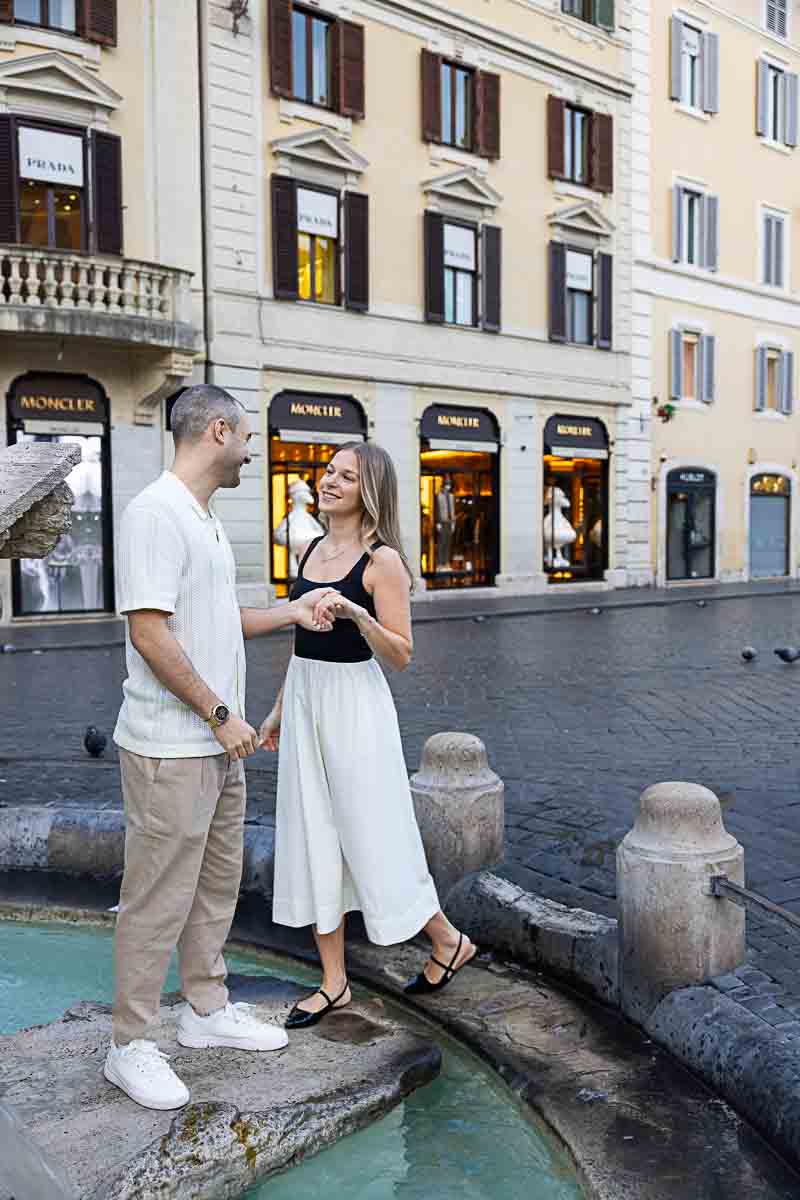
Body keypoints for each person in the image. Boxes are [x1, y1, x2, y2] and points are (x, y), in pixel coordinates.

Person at [106, 384, 334, 1110]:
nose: (250, 448)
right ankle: (129, 1045)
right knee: (155, 898)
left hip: (215, 745)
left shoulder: (201, 519)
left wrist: (291, 610)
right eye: (244, 435)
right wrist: (220, 712)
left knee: (213, 887)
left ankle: (205, 1011)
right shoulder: (154, 513)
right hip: (174, 747)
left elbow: (216, 617)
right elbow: (149, 632)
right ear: (215, 431)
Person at [260, 441, 477, 1028]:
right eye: (329, 471)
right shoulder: (306, 549)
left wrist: (359, 616)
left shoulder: (384, 563)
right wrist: (279, 710)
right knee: (313, 834)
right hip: (307, 698)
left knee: (373, 834)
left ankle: (448, 940)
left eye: (345, 477)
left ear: (369, 491)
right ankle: (334, 983)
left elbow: (402, 654)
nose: (329, 482)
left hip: (357, 704)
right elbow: (300, 642)